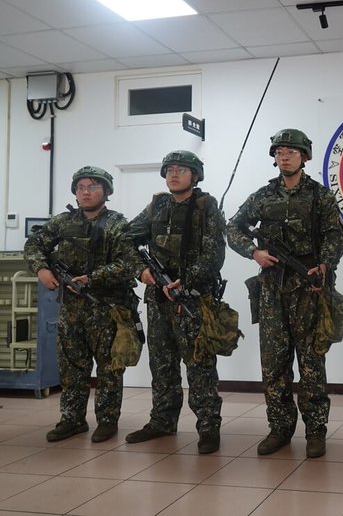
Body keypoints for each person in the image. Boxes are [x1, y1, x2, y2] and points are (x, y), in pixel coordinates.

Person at [227, 129, 343, 458]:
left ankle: (316, 430)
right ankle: (279, 427)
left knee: (311, 363)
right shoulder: (264, 196)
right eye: (279, 151)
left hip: (309, 287)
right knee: (274, 364)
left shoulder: (320, 196)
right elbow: (233, 227)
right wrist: (254, 253)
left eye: (291, 151)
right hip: (272, 291)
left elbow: (335, 236)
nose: (284, 156)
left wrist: (325, 265)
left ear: (305, 156)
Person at [24, 166, 139, 443]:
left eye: (92, 187)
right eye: (80, 187)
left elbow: (129, 264)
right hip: (72, 309)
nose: (85, 192)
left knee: (110, 368)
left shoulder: (118, 225)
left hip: (107, 307)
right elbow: (34, 244)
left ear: (106, 191)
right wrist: (41, 269)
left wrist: (93, 278)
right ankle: (72, 419)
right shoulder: (62, 223)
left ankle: (107, 420)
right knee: (72, 367)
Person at [126, 150, 226, 455]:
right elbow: (126, 238)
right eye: (169, 169)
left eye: (181, 169)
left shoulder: (205, 207)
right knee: (162, 363)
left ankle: (208, 426)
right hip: (158, 299)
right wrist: (141, 270)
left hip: (192, 298)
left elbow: (214, 254)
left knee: (199, 365)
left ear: (194, 175)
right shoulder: (157, 206)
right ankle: (162, 421)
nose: (173, 174)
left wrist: (188, 279)